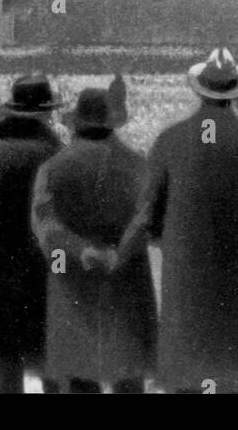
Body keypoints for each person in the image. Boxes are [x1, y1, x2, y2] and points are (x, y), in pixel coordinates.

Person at [117, 46, 238, 393]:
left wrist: (164, 236)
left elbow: (149, 211)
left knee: (188, 371)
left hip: (186, 276)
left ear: (199, 90)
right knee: (236, 371)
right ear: (236, 92)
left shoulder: (169, 140)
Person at [31, 88, 157, 393]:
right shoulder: (140, 166)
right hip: (127, 286)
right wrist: (120, 253)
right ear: (112, 123)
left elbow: (46, 228)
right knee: (128, 377)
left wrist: (81, 249)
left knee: (79, 377)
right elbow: (148, 221)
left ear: (76, 124)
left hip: (74, 287)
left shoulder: (52, 169)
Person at [0, 73, 64, 393]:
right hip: (41, 275)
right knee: (51, 367)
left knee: (6, 369)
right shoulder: (54, 151)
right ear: (47, 111)